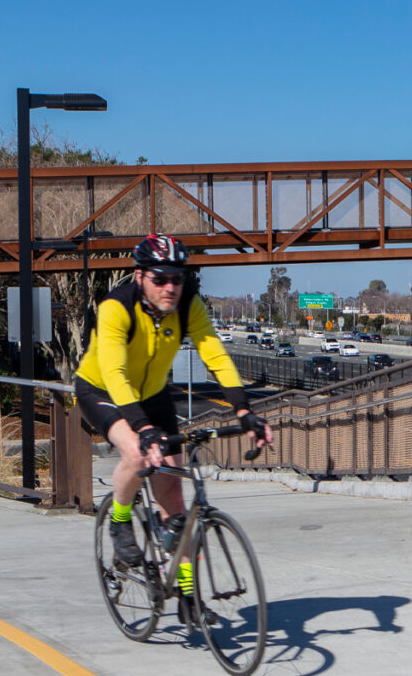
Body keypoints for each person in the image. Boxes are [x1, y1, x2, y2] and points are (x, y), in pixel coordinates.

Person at [77, 234, 268, 582]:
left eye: (177, 279)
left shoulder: (188, 306)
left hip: (152, 395)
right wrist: (143, 429)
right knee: (137, 454)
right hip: (101, 390)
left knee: (176, 499)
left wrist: (244, 410)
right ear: (139, 277)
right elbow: (116, 374)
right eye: (159, 278)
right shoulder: (115, 308)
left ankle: (184, 588)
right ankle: (119, 521)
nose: (170, 287)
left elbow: (215, 355)